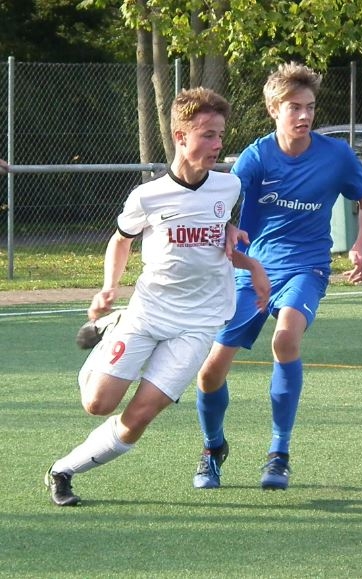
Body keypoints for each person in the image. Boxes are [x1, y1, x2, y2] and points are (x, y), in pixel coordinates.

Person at [44, 87, 270, 506]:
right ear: (180, 137)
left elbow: (217, 240)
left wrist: (251, 263)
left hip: (199, 323)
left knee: (140, 416)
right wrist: (109, 287)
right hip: (148, 313)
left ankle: (63, 470)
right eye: (207, 135)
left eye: (220, 135)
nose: (217, 144)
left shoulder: (229, 187)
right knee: (97, 404)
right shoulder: (147, 196)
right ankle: (115, 322)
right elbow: (121, 240)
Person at [192, 61, 362, 491]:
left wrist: (361, 246)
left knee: (286, 338)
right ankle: (213, 448)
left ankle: (279, 454)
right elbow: (221, 205)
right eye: (294, 107)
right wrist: (224, 234)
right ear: (274, 109)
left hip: (306, 267)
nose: (304, 115)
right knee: (209, 373)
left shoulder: (335, 156)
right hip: (253, 269)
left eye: (310, 107)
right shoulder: (257, 157)